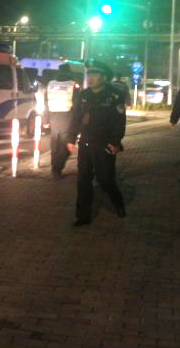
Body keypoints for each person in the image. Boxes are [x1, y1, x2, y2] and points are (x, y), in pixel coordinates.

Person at [66, 60, 127, 226]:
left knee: (105, 180)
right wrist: (71, 139)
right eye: (89, 74)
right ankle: (82, 216)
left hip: (105, 145)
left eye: (95, 74)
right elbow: (76, 118)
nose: (91, 78)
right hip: (85, 144)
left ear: (104, 77)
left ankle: (118, 202)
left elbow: (119, 121)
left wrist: (115, 142)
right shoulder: (83, 95)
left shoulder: (114, 96)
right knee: (83, 181)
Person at [46, 64, 79, 179]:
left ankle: (55, 169)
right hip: (67, 117)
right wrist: (78, 120)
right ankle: (57, 168)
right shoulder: (73, 84)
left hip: (53, 117)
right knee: (67, 145)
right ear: (69, 71)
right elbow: (77, 104)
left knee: (55, 145)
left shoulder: (51, 84)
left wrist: (46, 119)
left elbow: (46, 101)